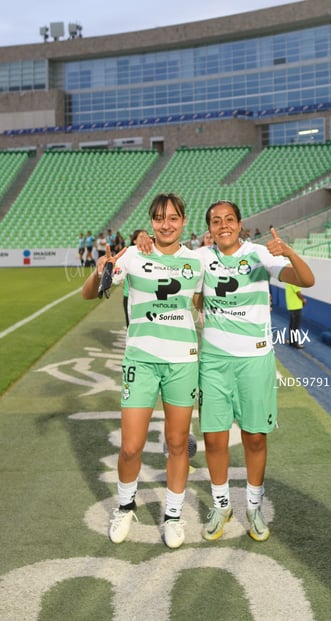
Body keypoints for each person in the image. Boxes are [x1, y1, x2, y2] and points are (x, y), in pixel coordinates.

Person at [82, 193, 203, 550]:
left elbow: (206, 301)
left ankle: (173, 516)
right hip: (141, 360)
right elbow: (91, 293)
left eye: (173, 218)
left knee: (178, 444)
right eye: (159, 218)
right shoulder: (135, 255)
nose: (166, 224)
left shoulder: (197, 262)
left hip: (183, 360)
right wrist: (101, 267)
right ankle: (124, 506)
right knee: (132, 446)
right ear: (151, 222)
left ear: (183, 221)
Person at [194, 200, 314, 543]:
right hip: (214, 362)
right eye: (216, 221)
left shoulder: (260, 254)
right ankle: (221, 506)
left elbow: (307, 279)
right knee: (214, 438)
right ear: (210, 228)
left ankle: (254, 507)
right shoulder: (201, 258)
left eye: (228, 219)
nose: (223, 225)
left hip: (255, 361)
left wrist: (288, 251)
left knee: (255, 437)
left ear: (240, 223)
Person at [122, 229, 148, 329]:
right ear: (134, 241)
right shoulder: (129, 254)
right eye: (141, 237)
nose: (144, 239)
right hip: (130, 296)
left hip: (147, 297)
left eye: (146, 237)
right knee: (132, 328)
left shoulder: (152, 255)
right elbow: (117, 275)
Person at [285, 283, 307, 349]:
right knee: (295, 326)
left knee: (292, 325)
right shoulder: (294, 281)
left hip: (291, 306)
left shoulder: (288, 281)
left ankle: (292, 341)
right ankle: (295, 343)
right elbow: (298, 293)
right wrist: (303, 300)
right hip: (296, 306)